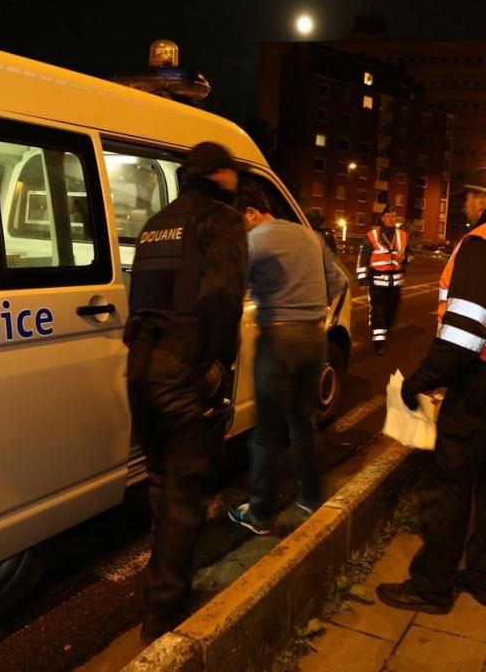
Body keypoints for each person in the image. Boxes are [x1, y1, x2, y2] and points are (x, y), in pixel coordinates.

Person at [376, 172, 486, 614]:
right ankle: (484, 581)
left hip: (483, 384)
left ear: (482, 200)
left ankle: (431, 587)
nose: (464, 208)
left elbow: (463, 332)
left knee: (448, 482)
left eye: (467, 199)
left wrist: (421, 380)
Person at [125, 142, 247, 642]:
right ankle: (165, 613)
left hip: (141, 366)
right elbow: (222, 296)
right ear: (220, 176)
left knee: (160, 481)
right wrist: (215, 363)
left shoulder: (156, 224)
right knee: (184, 493)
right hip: (182, 366)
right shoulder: (220, 220)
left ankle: (159, 589)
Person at [228, 187, 348, 535]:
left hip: (278, 340)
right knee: (302, 422)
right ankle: (311, 496)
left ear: (251, 213)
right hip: (314, 338)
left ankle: (261, 515)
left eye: (241, 223)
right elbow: (338, 281)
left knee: (266, 433)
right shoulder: (309, 237)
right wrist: (314, 312)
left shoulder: (255, 241)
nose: (242, 230)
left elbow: (235, 285)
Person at [356, 206, 410, 356]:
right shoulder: (372, 235)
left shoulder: (403, 235)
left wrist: (405, 258)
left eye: (393, 216)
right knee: (378, 311)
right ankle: (379, 343)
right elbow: (363, 257)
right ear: (382, 218)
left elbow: (410, 255)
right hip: (377, 282)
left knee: (391, 313)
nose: (391, 218)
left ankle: (381, 330)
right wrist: (362, 278)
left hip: (396, 283)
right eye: (388, 216)